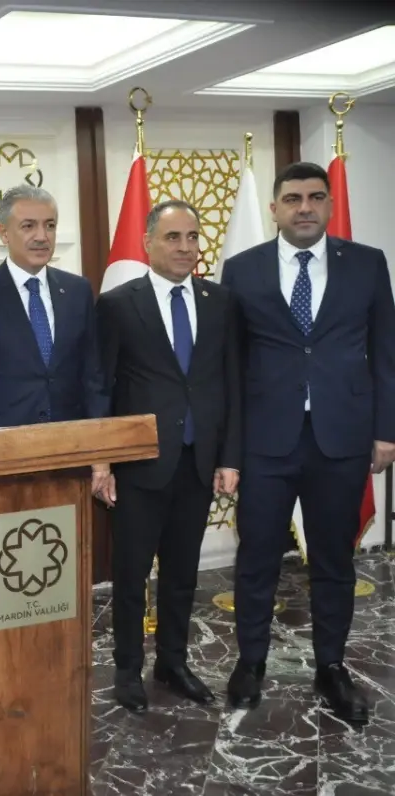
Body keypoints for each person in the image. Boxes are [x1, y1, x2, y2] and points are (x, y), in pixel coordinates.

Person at [221, 161, 395, 723]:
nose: (305, 207)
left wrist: (386, 430)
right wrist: (230, 447)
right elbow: (230, 364)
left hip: (341, 437)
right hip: (266, 441)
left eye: (316, 197)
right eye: (293, 198)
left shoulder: (367, 264)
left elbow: (386, 353)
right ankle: (250, 662)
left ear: (329, 205)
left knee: (333, 560)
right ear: (274, 208)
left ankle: (332, 667)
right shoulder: (242, 269)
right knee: (257, 558)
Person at [95, 200, 242, 713]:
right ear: (148, 243)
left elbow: (230, 383)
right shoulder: (118, 304)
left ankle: (173, 664)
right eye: (173, 237)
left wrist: (229, 457)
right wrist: (102, 462)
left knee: (182, 573)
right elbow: (102, 387)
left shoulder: (220, 302)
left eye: (193, 237)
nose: (185, 247)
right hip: (139, 466)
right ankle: (127, 669)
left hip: (198, 462)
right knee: (131, 575)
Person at [0, 184, 109, 489]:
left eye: (50, 225)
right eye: (28, 226)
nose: (41, 236)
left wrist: (100, 454)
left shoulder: (78, 291)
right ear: (3, 233)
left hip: (69, 455)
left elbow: (92, 378)